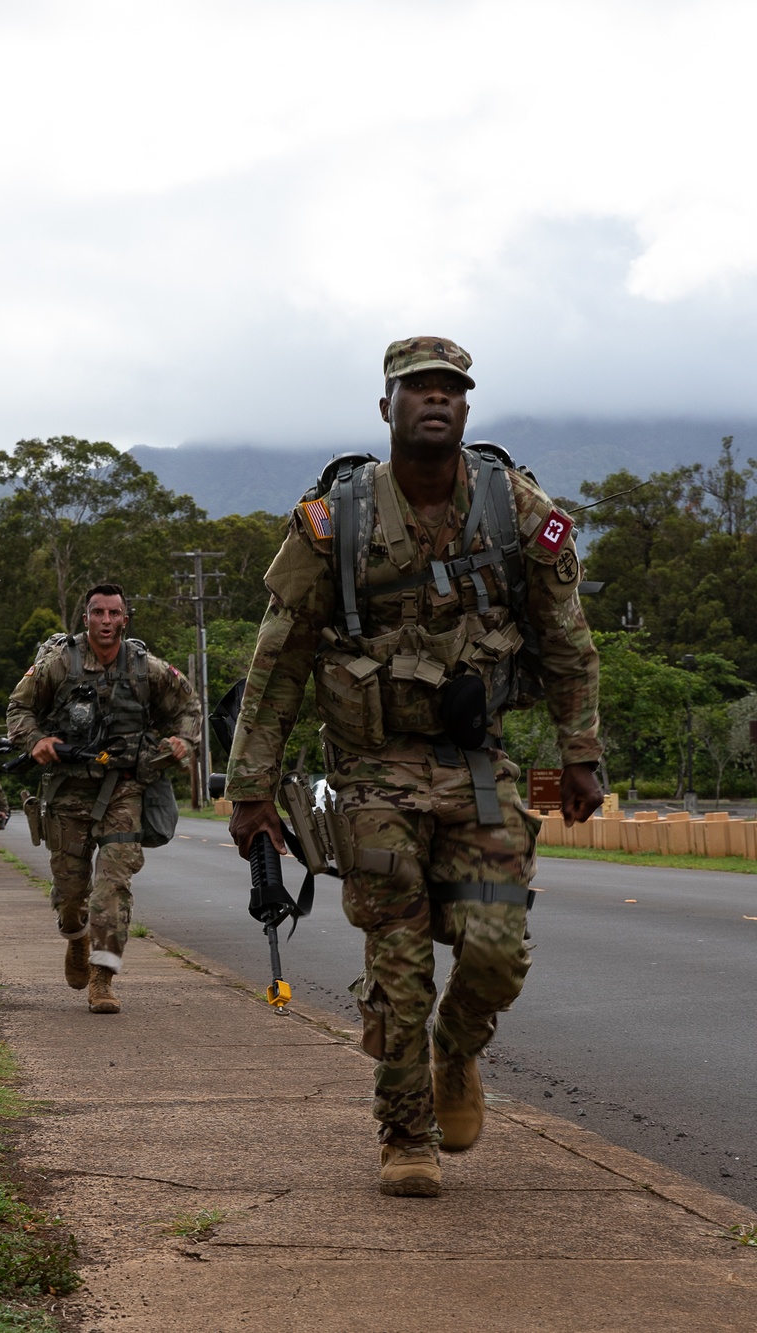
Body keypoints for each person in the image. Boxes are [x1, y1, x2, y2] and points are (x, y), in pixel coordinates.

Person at [226, 336, 603, 1198]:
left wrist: (582, 754)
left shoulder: (514, 506)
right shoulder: (337, 518)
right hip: (372, 773)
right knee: (399, 959)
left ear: (466, 409)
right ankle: (405, 1136)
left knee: (498, 950)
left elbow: (568, 640)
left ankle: (458, 1050)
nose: (436, 400)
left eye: (451, 390)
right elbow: (280, 661)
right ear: (387, 405)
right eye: (417, 389)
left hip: (476, 766)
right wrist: (250, 791)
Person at [6, 582, 201, 1014]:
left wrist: (182, 741)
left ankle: (102, 978)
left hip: (125, 789)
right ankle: (75, 937)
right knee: (72, 893)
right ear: (86, 618)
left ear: (125, 619)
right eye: (99, 613)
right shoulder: (58, 665)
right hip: (67, 790)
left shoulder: (146, 668)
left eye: (114, 613)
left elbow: (189, 706)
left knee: (112, 886)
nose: (106, 621)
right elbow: (18, 710)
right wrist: (36, 740)